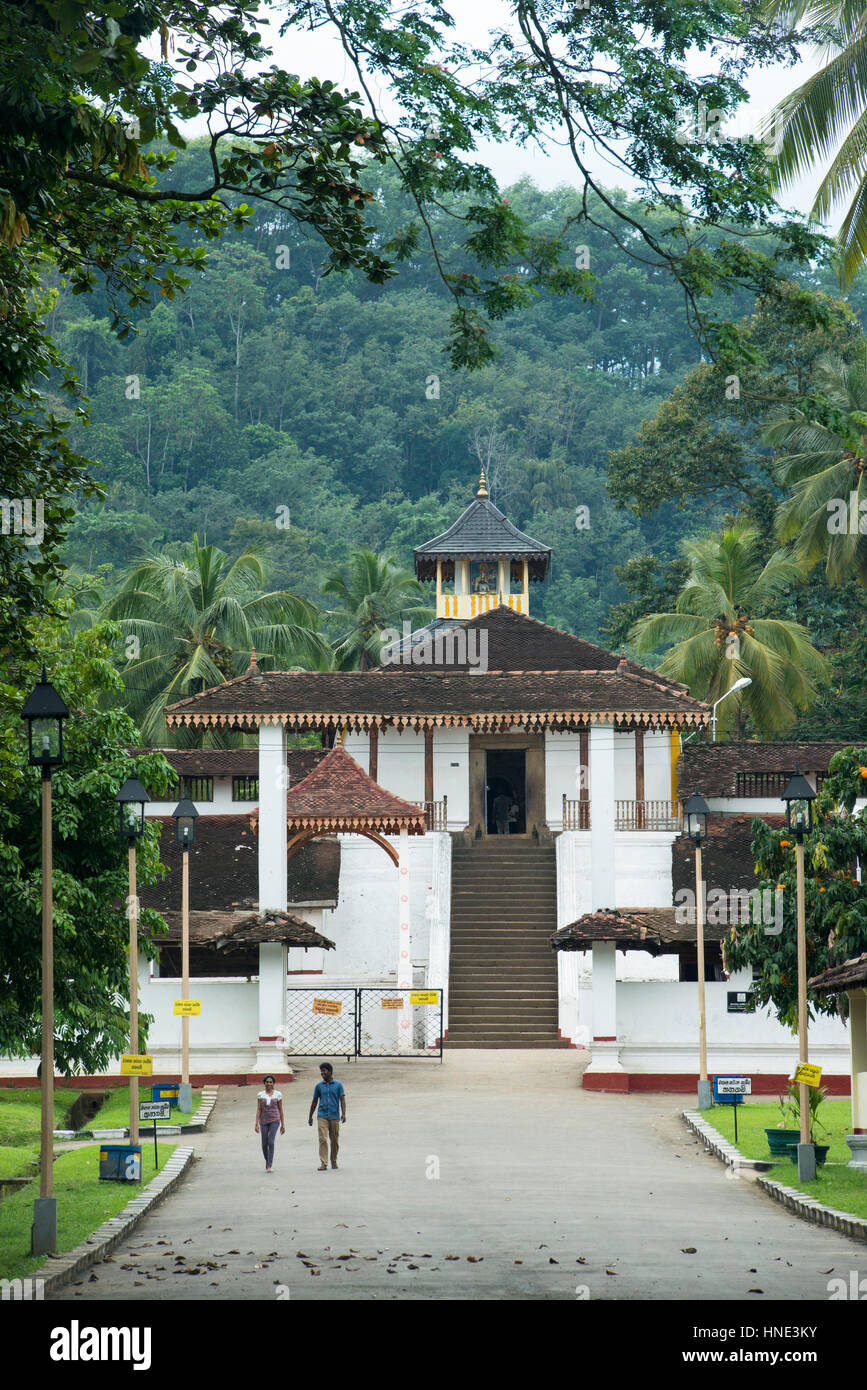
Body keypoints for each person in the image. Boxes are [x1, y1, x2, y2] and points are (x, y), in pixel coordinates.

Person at [308, 1062, 346, 1170]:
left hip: (334, 1116)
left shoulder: (338, 1085)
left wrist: (343, 1114)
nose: (322, 1073)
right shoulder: (319, 1086)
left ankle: (333, 1160)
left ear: (330, 1071)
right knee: (323, 1139)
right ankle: (324, 1163)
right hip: (322, 1115)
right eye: (321, 1071)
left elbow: (342, 1100)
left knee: (334, 1140)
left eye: (324, 1071)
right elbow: (314, 1102)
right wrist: (310, 1116)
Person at [254, 1075, 285, 1172]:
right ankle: (267, 1161)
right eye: (267, 1082)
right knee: (264, 1143)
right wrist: (256, 1123)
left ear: (273, 1083)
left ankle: (269, 1165)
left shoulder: (278, 1095)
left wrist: (283, 1124)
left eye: (271, 1082)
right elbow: (259, 1109)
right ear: (264, 1083)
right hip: (263, 1120)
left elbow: (280, 1109)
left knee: (271, 1142)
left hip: (275, 1120)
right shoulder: (260, 1095)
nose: (269, 1084)